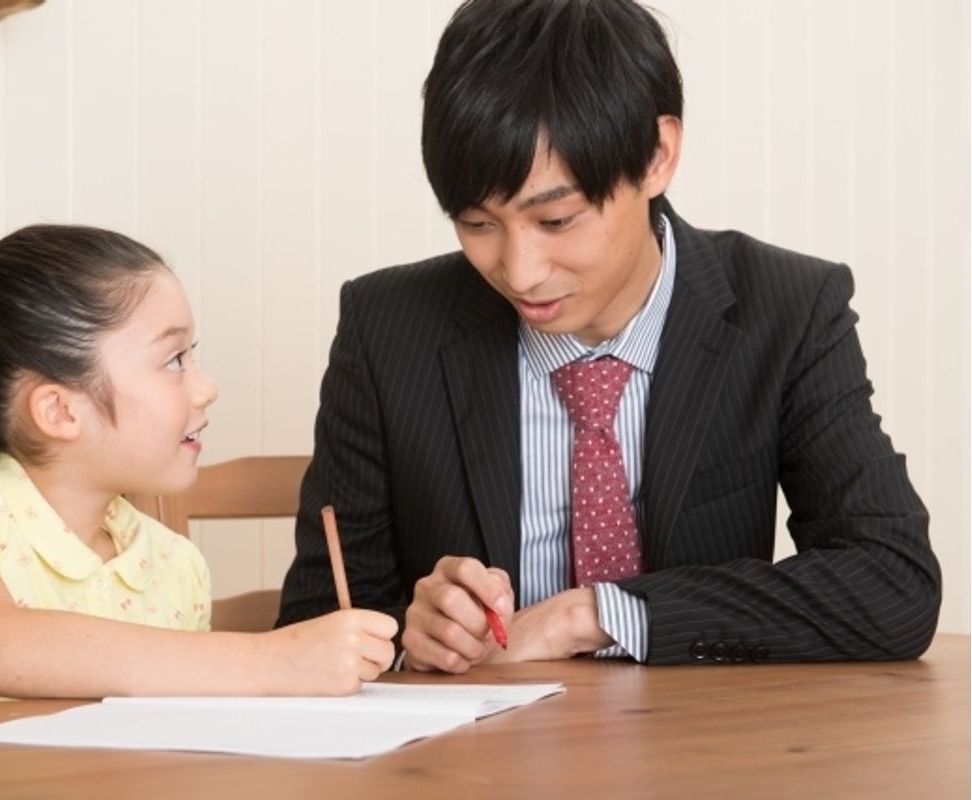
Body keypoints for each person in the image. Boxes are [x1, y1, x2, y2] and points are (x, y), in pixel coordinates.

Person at [276, 0, 941, 670]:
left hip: (704, 753)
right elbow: (313, 619)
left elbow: (894, 583)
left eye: (557, 220)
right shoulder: (387, 328)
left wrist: (592, 614)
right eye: (478, 224)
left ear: (658, 157)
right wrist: (405, 639)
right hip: (471, 766)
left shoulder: (787, 312)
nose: (519, 271)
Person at [0, 224, 396, 711]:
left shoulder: (174, 568)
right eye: (173, 361)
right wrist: (274, 661)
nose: (206, 387)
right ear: (59, 410)